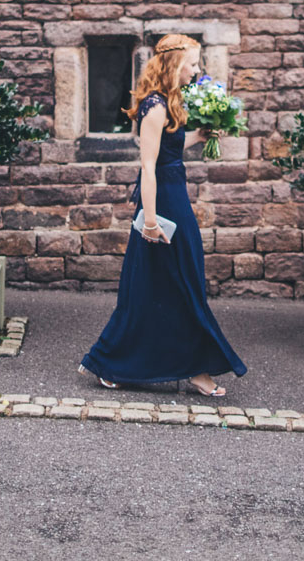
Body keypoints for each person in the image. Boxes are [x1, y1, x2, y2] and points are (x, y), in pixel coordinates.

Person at [79, 34, 246, 398]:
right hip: (162, 203)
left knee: (177, 282)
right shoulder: (153, 108)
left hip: (174, 194)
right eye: (193, 64)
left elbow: (171, 146)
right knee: (164, 284)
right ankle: (116, 363)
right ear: (174, 65)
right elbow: (148, 167)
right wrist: (151, 222)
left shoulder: (172, 102)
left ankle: (193, 367)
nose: (198, 70)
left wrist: (199, 135)